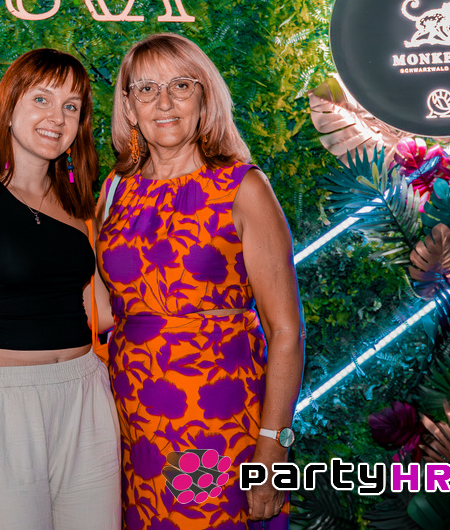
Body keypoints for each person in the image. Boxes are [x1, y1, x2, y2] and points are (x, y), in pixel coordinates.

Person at [96, 33, 305, 529]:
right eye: (146, 89)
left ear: (205, 96)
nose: (164, 103)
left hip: (221, 416)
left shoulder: (243, 186)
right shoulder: (114, 190)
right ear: (128, 106)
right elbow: (101, 313)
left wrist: (273, 448)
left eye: (181, 86)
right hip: (131, 420)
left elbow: (287, 331)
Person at [0, 48, 121, 530]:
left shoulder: (78, 205)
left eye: (71, 106)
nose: (57, 117)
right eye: (42, 99)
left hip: (84, 397)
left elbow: (104, 311)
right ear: (10, 108)